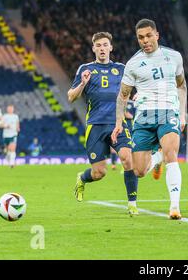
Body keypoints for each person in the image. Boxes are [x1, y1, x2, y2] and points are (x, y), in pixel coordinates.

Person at [69, 32, 163, 216]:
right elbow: (71, 97)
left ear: (111, 48)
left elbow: (138, 87)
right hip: (96, 126)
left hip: (118, 124)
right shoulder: (85, 69)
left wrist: (139, 94)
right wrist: (82, 83)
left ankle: (132, 204)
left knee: (128, 160)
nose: (102, 48)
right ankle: (82, 178)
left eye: (105, 45)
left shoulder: (122, 68)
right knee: (99, 173)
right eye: (99, 45)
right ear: (93, 48)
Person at [111, 19, 186, 220]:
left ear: (157, 35)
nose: (145, 40)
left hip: (168, 112)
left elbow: (181, 86)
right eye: (140, 37)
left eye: (148, 36)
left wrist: (183, 113)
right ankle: (158, 157)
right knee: (139, 170)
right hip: (143, 117)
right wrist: (119, 123)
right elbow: (123, 95)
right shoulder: (133, 64)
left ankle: (174, 207)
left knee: (172, 154)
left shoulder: (174, 57)